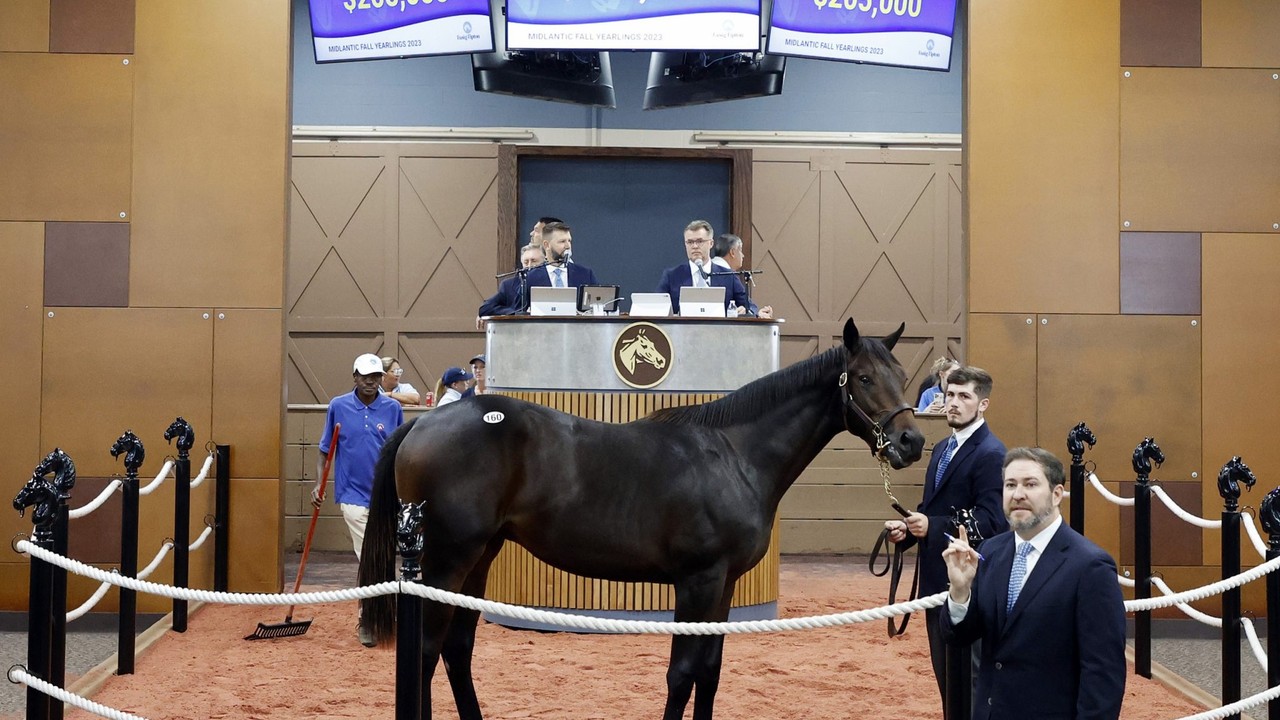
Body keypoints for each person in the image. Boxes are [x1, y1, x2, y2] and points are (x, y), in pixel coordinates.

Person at [941, 447, 1127, 720]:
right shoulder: (991, 551)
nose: (1018, 494)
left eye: (1030, 484)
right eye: (1010, 485)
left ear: (1056, 494)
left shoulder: (1090, 567)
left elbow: (1103, 674)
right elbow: (960, 636)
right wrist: (960, 591)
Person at [883, 365, 1007, 705]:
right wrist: (908, 531)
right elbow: (931, 507)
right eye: (949, 395)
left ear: (983, 404)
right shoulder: (941, 449)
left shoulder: (991, 454)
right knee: (948, 683)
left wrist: (933, 527)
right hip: (937, 583)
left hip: (971, 587)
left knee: (970, 684)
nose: (953, 403)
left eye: (964, 396)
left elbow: (992, 522)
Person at [312, 353, 404, 645]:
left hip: (386, 497)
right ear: (354, 376)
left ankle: (385, 615)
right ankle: (369, 618)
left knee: (385, 557)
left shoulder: (392, 408)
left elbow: (401, 452)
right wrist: (318, 484)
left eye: (376, 376)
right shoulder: (338, 406)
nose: (371, 382)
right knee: (370, 557)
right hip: (352, 495)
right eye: (365, 376)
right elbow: (326, 450)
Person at [657, 220, 752, 316]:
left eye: (699, 241)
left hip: (719, 330)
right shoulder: (672, 276)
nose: (694, 246)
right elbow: (657, 308)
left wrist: (745, 309)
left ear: (711, 243)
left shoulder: (728, 275)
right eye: (690, 242)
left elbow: (749, 306)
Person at [477, 243, 546, 324]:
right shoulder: (509, 285)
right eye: (526, 262)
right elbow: (485, 308)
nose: (530, 266)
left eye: (534, 261)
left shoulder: (551, 281)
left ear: (545, 262)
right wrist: (514, 314)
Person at [710, 233, 773, 319]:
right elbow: (744, 302)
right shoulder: (730, 276)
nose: (743, 255)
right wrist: (757, 313)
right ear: (732, 252)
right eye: (740, 250)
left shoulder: (702, 269)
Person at [526, 221, 599, 290]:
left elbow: (597, 301)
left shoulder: (585, 274)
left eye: (569, 241)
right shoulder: (531, 277)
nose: (568, 246)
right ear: (547, 245)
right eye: (562, 241)